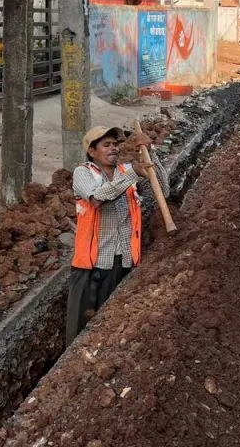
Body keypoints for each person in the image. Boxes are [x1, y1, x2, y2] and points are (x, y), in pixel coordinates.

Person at [66, 125, 170, 344]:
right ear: (92, 152)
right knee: (78, 334)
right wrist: (133, 173)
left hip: (122, 263)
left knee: (110, 331)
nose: (113, 148)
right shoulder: (83, 173)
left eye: (115, 144)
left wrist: (151, 154)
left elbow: (162, 189)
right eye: (106, 145)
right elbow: (98, 198)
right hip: (91, 268)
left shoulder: (125, 172)